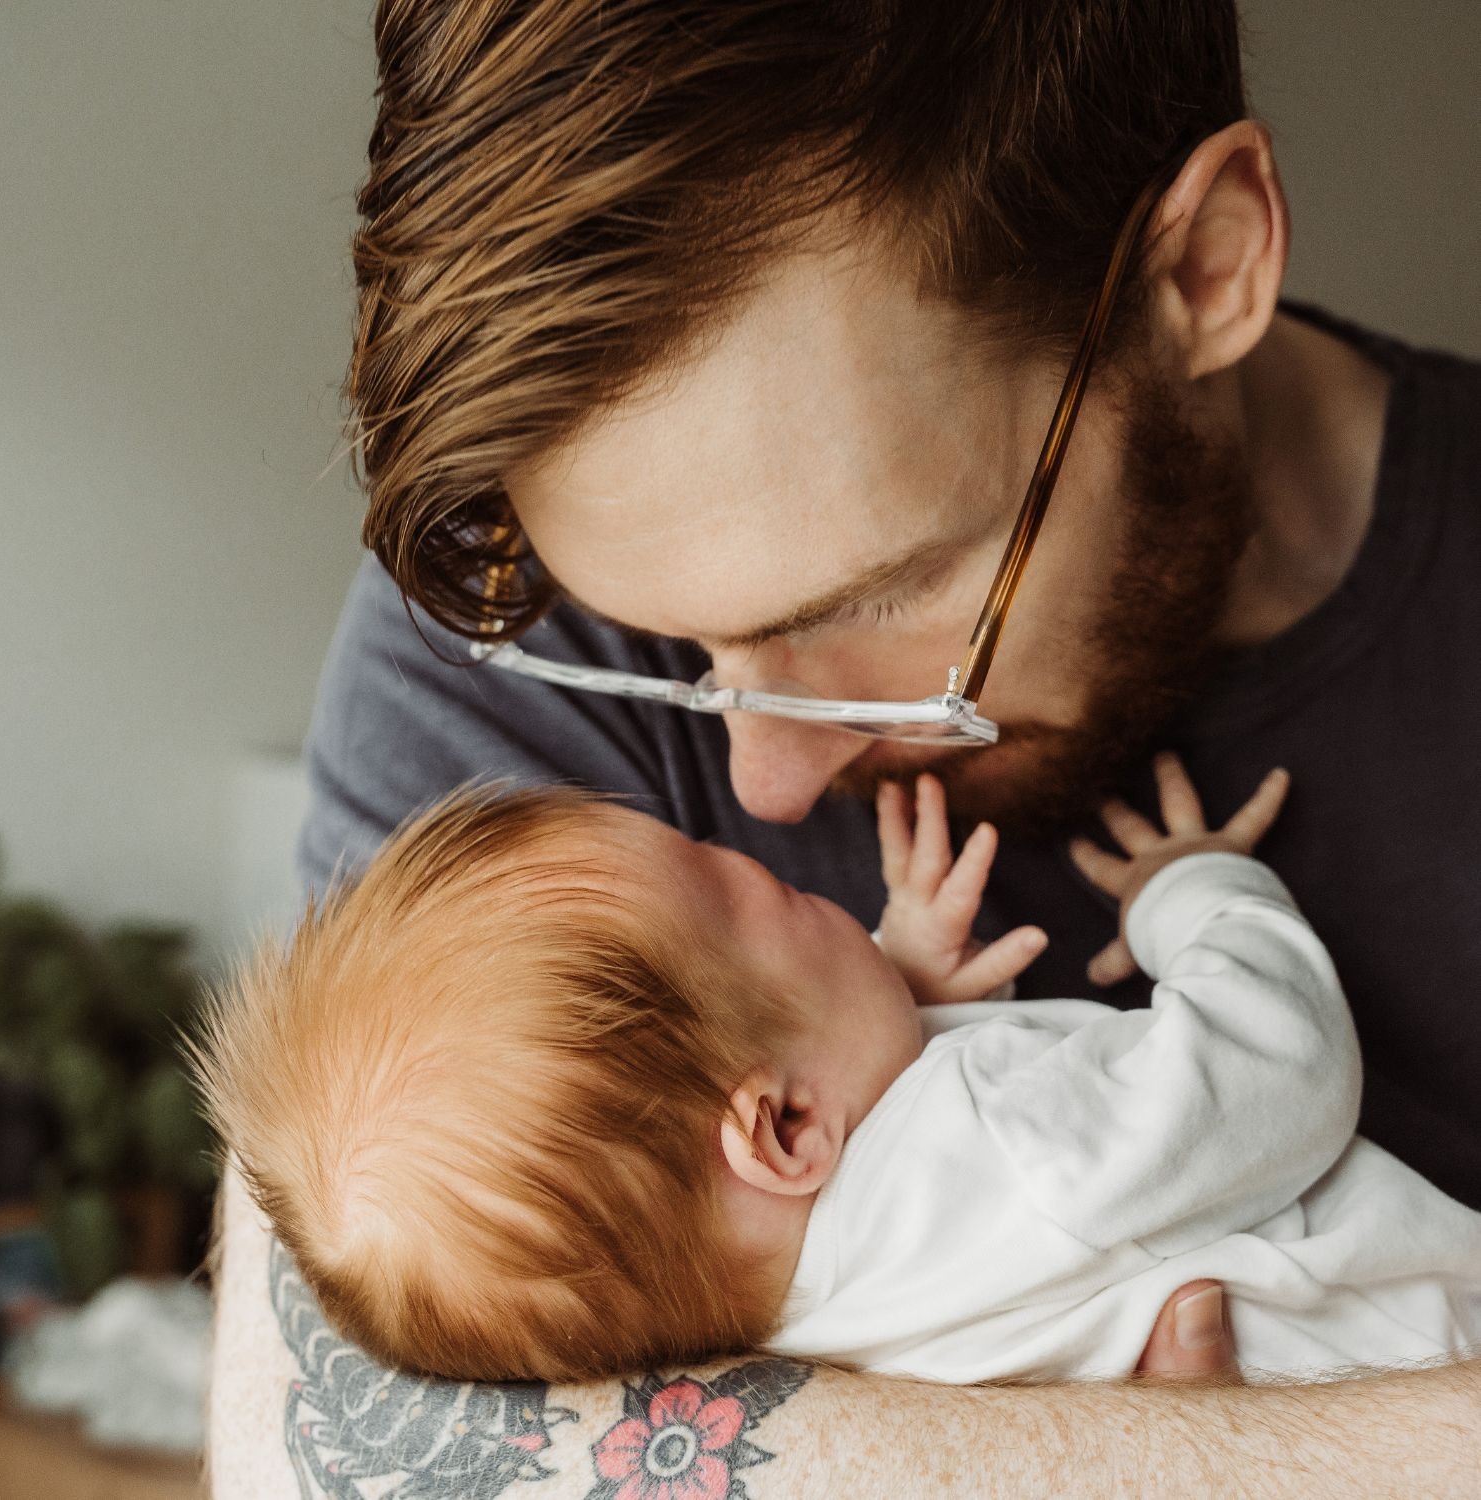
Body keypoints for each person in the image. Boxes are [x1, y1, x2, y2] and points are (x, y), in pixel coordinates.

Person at [211, 1, 1481, 1494]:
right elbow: (336, 1459)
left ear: (1205, 267)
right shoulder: (529, 621)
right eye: (678, 654)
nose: (761, 786)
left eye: (876, 602)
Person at [201, 760, 1481, 1389]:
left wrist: (886, 983)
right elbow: (1284, 1068)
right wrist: (1195, 894)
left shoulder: (789, 1333)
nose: (783, 872)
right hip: (1434, 1342)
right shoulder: (1021, 1150)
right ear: (788, 1121)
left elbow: (850, 1178)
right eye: (762, 890)